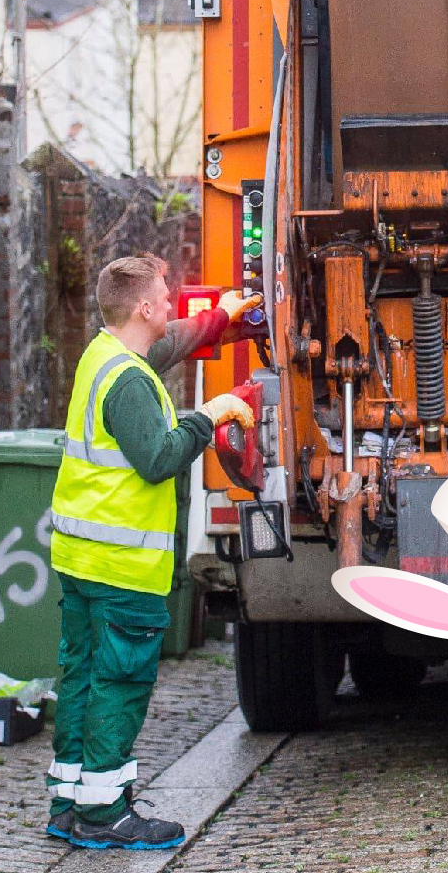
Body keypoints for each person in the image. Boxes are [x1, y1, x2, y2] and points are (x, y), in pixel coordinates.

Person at [44, 254, 262, 850]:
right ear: (143, 307)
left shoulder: (105, 355)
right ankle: (107, 813)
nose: (171, 305)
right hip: (121, 568)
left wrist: (222, 318)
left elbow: (168, 346)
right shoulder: (131, 383)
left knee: (84, 678)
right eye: (165, 298)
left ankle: (70, 803)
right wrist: (210, 414)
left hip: (82, 561)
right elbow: (160, 458)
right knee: (119, 684)